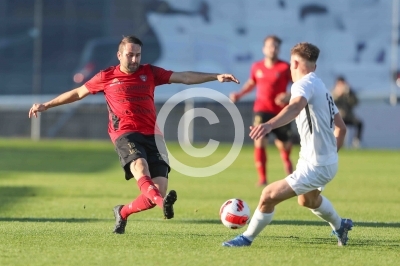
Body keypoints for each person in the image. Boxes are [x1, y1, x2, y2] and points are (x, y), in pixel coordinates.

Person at [28, 35, 240, 234]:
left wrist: (215, 76)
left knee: (159, 189)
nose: (135, 59)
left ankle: (123, 212)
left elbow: (183, 76)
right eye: (130, 54)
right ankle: (161, 204)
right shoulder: (106, 76)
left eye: (138, 54)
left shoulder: (150, 72)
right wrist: (47, 105)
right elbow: (77, 93)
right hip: (125, 133)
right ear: (119, 55)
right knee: (140, 167)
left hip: (153, 135)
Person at [222, 42, 353, 247]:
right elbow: (342, 129)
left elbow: (294, 108)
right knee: (307, 201)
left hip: (316, 165)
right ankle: (340, 225)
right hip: (323, 162)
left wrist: (268, 125)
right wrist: (329, 156)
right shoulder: (322, 87)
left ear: (294, 62)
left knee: (267, 196)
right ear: (314, 66)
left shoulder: (302, 85)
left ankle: (246, 238)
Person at [230, 35, 293, 186]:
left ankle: (287, 162)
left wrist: (288, 95)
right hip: (261, 110)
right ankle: (263, 178)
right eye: (270, 46)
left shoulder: (285, 67)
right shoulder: (257, 67)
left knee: (283, 145)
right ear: (264, 49)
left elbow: (298, 86)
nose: (273, 49)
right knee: (259, 141)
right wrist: (239, 94)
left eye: (276, 46)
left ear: (279, 49)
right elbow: (252, 83)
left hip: (281, 113)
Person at [331, 76, 363, 148]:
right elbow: (331, 104)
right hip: (337, 117)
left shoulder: (349, 93)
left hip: (348, 116)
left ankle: (356, 142)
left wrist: (348, 93)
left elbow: (355, 102)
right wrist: (338, 95)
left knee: (359, 123)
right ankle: (335, 142)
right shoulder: (333, 92)